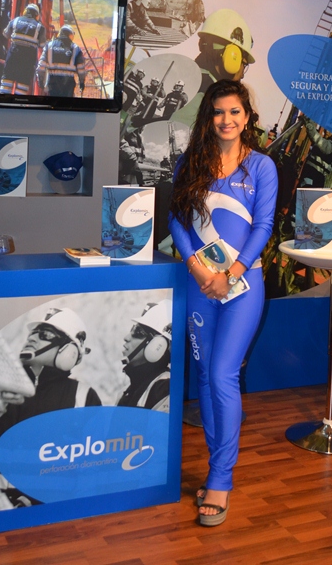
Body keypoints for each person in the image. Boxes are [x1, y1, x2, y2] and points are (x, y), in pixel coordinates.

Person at [168, 79, 278, 527]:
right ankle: (217, 466)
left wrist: (231, 274)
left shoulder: (261, 167)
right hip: (200, 285)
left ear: (246, 117)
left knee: (221, 375)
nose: (226, 119)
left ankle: (220, 478)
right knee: (205, 378)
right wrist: (198, 270)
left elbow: (264, 225)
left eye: (234, 111)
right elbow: (177, 220)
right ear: (208, 117)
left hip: (243, 286)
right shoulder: (190, 162)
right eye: (218, 111)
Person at [0, 307, 101, 449]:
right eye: (32, 333)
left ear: (69, 351)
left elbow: (95, 455)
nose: (32, 338)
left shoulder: (84, 397)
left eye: (45, 334)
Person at [117, 300, 172, 412]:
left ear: (158, 344)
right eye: (132, 330)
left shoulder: (165, 389)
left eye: (137, 332)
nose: (126, 338)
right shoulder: (125, 393)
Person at [0, 3, 47, 95]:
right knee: (22, 83)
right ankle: (18, 102)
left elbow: (5, 34)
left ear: (25, 11)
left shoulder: (15, 21)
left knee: (7, 80)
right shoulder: (40, 27)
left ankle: (3, 100)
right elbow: (42, 45)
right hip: (28, 59)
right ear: (36, 15)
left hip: (13, 55)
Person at [36, 24, 86, 97]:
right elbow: (81, 68)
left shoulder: (49, 46)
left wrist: (40, 80)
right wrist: (81, 82)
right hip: (68, 85)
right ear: (70, 35)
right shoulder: (75, 48)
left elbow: (41, 65)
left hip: (52, 83)